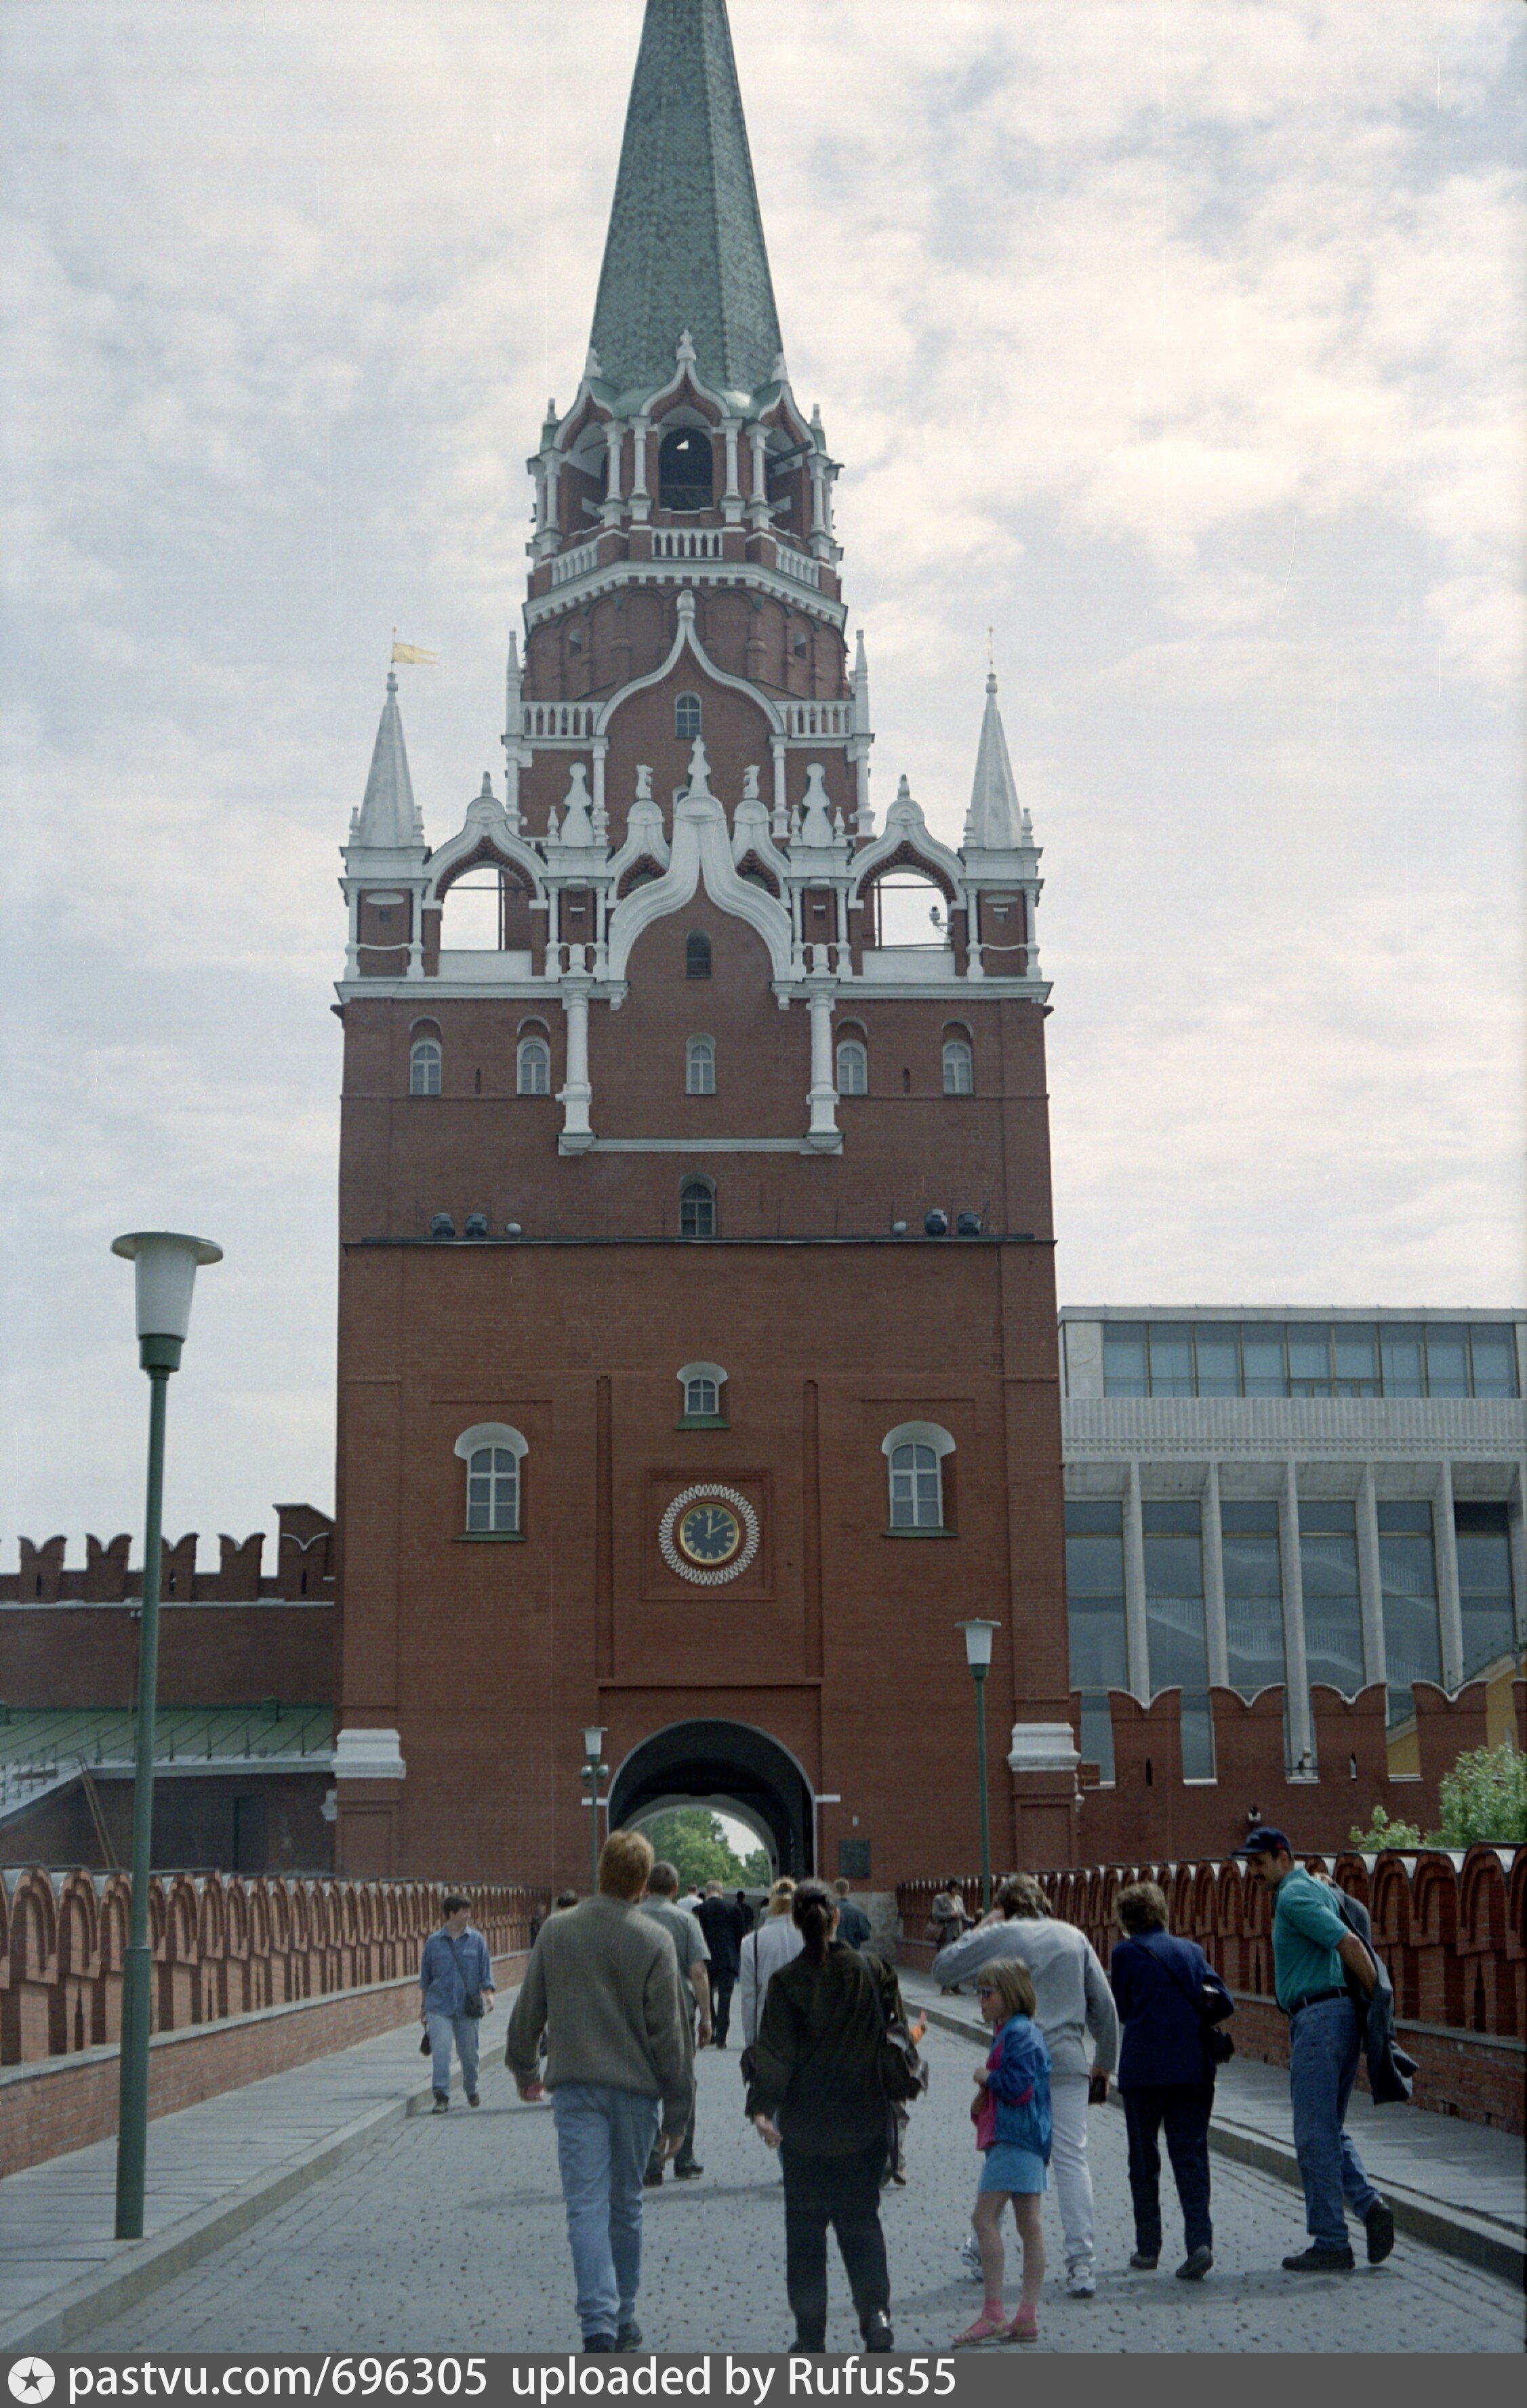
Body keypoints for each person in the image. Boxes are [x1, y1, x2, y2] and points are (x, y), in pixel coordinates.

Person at [504, 1828, 692, 2353]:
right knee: (626, 2204)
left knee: (585, 2205)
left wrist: (524, 2067)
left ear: (601, 1870)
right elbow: (670, 2035)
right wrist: (677, 2112)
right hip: (635, 2093)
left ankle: (597, 2324)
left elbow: (528, 2009)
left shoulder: (558, 1931)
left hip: (577, 2088)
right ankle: (624, 2314)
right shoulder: (653, 1938)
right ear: (641, 1884)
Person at [935, 1871, 1118, 2300]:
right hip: (1068, 2061)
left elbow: (943, 1967)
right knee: (1072, 2159)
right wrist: (1104, 2065)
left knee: (1009, 2153)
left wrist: (985, 1924)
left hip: (1016, 2061)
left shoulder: (1002, 1934)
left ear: (1005, 1906)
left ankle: (982, 2249)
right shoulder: (1074, 1937)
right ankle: (1081, 2266)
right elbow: (1104, 2006)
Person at [747, 1879, 900, 2354]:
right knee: (862, 2223)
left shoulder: (786, 1981)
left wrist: (760, 2110)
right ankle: (875, 2318)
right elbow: (893, 2036)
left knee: (805, 2232)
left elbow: (773, 2052)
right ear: (836, 1916)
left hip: (805, 2130)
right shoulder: (872, 1970)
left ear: (795, 1921)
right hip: (863, 2123)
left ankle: (809, 2334)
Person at [1239, 1826, 1395, 2272]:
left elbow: (1347, 1942)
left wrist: (1379, 2003)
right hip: (1333, 2018)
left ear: (1282, 1856)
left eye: (1258, 1862)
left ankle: (1331, 2241)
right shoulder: (1309, 1885)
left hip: (1318, 2020)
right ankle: (1369, 2206)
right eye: (1249, 1864)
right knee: (1327, 2126)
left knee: (1312, 2135)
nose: (1252, 1871)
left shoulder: (1293, 1896)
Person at [1109, 1880, 1234, 2281]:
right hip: (1192, 2070)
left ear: (1126, 1919)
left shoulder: (1125, 1953)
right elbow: (1222, 2000)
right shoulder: (1192, 1951)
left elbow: (1124, 2009)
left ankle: (1148, 2249)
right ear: (1162, 1912)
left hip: (1143, 2071)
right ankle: (1200, 2243)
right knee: (1191, 2157)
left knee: (1144, 2161)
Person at [952, 1958, 1052, 2348]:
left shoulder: (1020, 2034)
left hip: (1016, 2138)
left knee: (985, 2218)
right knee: (1029, 2223)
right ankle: (1026, 2315)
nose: (980, 1999)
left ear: (1009, 1994)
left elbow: (1018, 2087)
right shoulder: (1013, 2031)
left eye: (987, 1992)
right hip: (1028, 2137)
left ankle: (994, 2312)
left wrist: (987, 2077)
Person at [639, 1860, 712, 2182]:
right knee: (683, 2079)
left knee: (642, 2082)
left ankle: (651, 2161)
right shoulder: (686, 1921)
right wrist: (707, 2019)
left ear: (646, 1888)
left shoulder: (631, 1918)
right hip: (679, 2007)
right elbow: (698, 1972)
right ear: (674, 1889)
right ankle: (684, 2156)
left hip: (637, 2009)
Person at [418, 1892, 495, 2113]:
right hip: (439, 2007)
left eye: (469, 1911)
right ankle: (441, 2095)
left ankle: (471, 2088)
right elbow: (426, 1978)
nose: (468, 1915)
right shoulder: (433, 1943)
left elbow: (485, 1971)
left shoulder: (476, 1940)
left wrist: (489, 1993)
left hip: (466, 2008)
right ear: (451, 1913)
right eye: (464, 1911)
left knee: (470, 2055)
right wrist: (423, 2007)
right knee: (441, 2051)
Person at [739, 1876, 806, 2046]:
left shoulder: (751, 1942)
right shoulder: (811, 1936)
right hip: (808, 2025)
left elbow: (749, 1997)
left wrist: (751, 2041)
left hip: (769, 2027)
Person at [695, 1879, 748, 2048]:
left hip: (705, 1959)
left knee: (707, 1997)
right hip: (727, 1959)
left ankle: (711, 2031)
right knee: (725, 1999)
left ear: (707, 1891)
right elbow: (741, 1935)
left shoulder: (698, 1910)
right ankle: (721, 2039)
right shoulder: (733, 1909)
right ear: (721, 1891)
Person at [833, 1878, 873, 1951]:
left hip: (832, 1954)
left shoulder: (828, 1910)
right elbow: (866, 1934)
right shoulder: (858, 1911)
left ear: (834, 1890)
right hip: (852, 1953)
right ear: (848, 1891)